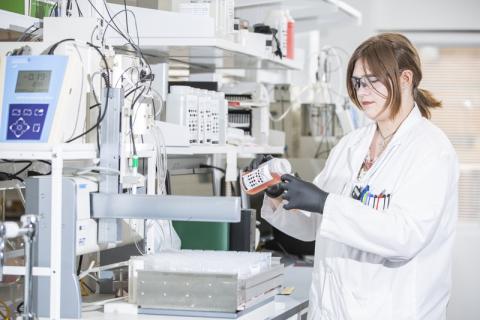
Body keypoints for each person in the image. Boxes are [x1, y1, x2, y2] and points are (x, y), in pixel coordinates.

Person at [250, 33, 459, 319]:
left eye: (373, 80)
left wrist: (325, 203)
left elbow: (404, 237)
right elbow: (313, 226)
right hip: (332, 309)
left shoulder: (431, 150)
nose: (362, 91)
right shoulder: (351, 145)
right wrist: (277, 193)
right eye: (358, 82)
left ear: (405, 79)